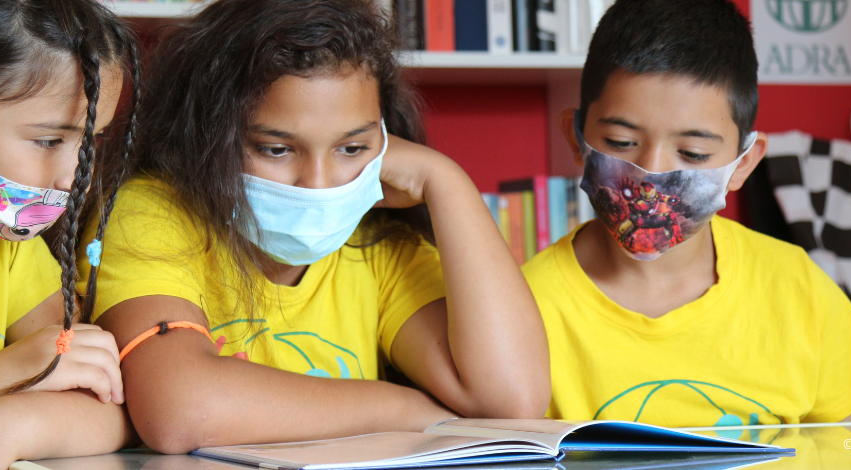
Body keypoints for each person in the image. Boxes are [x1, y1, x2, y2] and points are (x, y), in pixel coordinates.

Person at [78, 0, 550, 454]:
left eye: (351, 149)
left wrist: (446, 181)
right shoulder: (151, 211)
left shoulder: (376, 241)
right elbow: (181, 409)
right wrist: (411, 409)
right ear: (207, 136)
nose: (319, 185)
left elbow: (513, 400)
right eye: (276, 150)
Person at [523, 0, 851, 429]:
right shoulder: (523, 307)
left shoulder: (794, 287)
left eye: (693, 153)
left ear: (742, 163)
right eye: (622, 142)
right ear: (576, 140)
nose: (654, 173)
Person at [0, 0, 141, 467]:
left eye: (90, 141)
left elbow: (114, 404)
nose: (75, 178)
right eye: (48, 140)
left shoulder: (8, 251)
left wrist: (7, 424)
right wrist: (6, 379)